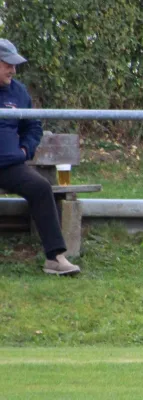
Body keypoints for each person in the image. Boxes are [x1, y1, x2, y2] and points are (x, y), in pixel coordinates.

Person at [0, 39, 80, 276]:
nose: (13, 70)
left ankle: (55, 258)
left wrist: (25, 151)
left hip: (10, 166)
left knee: (41, 188)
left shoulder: (19, 92)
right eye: (8, 65)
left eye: (15, 66)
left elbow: (33, 128)